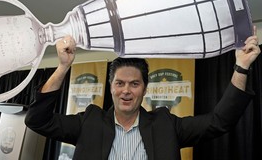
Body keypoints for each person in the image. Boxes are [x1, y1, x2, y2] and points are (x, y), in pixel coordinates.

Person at [25, 27, 260, 160]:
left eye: (134, 84)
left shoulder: (165, 124)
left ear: (144, 89)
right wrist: (63, 66)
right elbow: (37, 120)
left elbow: (220, 122)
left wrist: (241, 67)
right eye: (120, 83)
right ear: (111, 87)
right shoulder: (90, 121)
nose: (126, 90)